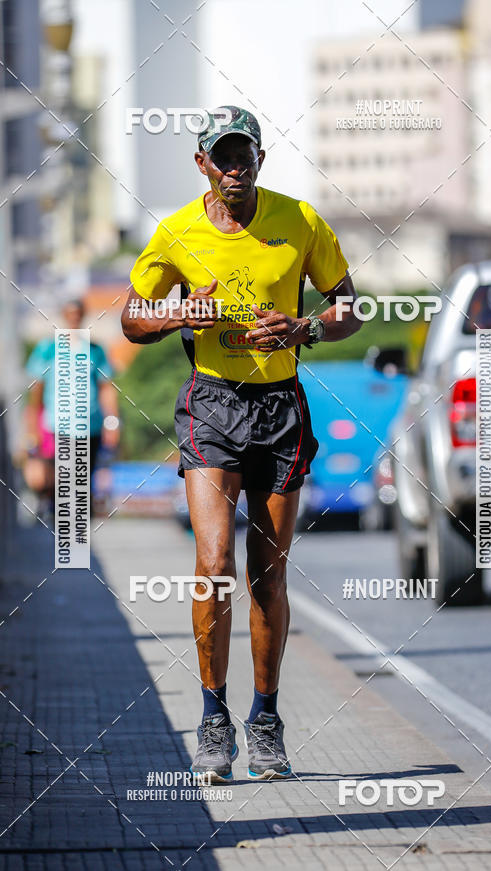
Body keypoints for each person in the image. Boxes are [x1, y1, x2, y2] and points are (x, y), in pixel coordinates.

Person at [122, 105, 360, 782]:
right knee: (212, 561)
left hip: (280, 407)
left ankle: (266, 719)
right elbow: (132, 319)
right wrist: (176, 314)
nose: (233, 168)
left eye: (243, 155)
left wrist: (305, 328)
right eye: (220, 157)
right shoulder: (176, 232)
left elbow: (350, 306)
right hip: (212, 405)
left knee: (267, 573)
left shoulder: (301, 221)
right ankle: (212, 717)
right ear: (201, 163)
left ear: (260, 158)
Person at [25, 299, 120, 518]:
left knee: (85, 476)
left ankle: (78, 524)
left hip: (91, 424)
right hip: (58, 423)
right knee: (61, 475)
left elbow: (107, 388)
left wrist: (112, 422)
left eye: (78, 314)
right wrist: (32, 426)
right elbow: (36, 389)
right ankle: (59, 516)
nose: (74, 318)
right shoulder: (48, 349)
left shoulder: (95, 350)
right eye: (70, 314)